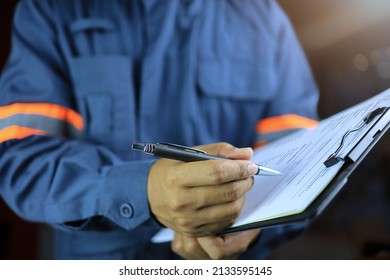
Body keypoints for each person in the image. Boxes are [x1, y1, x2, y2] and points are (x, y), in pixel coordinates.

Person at [0, 0, 319, 260]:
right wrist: (142, 190)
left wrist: (254, 221)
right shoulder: (52, 10)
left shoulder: (264, 19)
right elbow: (22, 158)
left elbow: (303, 164)